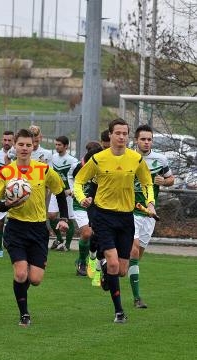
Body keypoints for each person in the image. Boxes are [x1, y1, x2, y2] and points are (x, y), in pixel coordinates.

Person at [73, 118, 156, 324]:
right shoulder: (98, 159)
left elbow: (147, 183)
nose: (121, 137)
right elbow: (79, 181)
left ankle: (103, 269)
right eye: (117, 133)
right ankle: (119, 312)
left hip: (126, 218)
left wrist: (151, 203)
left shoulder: (136, 159)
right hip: (103, 216)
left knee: (120, 270)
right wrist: (81, 197)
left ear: (128, 136)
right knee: (112, 264)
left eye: (124, 133)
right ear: (110, 135)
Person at [0, 128, 69, 327]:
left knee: (35, 279)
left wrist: (63, 218)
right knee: (21, 273)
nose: (24, 148)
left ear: (34, 146)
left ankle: (33, 272)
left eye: (28, 145)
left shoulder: (43, 169)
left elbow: (59, 191)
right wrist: (7, 205)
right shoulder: (7, 171)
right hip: (16, 228)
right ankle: (24, 314)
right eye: (21, 144)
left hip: (39, 229)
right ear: (14, 145)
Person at [129, 125, 174, 308]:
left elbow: (171, 179)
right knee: (134, 249)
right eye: (143, 139)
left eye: (149, 139)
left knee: (137, 255)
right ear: (136, 140)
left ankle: (110, 264)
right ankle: (137, 298)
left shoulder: (160, 159)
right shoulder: (129, 158)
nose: (146, 142)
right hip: (130, 211)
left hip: (150, 214)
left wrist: (164, 181)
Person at [68, 144, 103, 283]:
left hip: (96, 206)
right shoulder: (79, 166)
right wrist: (74, 191)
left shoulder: (104, 167)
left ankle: (94, 262)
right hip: (80, 204)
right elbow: (70, 177)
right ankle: (82, 262)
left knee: (96, 236)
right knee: (87, 233)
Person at [48, 136, 79, 253]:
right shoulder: (53, 158)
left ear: (66, 146)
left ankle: (67, 244)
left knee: (69, 219)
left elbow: (77, 177)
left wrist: (73, 190)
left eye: (59, 145)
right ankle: (59, 239)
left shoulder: (72, 160)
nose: (57, 147)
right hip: (57, 191)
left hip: (69, 193)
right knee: (51, 215)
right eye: (56, 144)